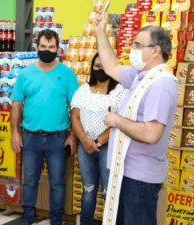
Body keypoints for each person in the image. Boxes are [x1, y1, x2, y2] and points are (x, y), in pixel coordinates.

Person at [94, 14, 178, 225]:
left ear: (155, 51)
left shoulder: (161, 83)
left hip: (140, 179)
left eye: (138, 45)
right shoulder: (142, 76)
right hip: (126, 172)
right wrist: (100, 32)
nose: (133, 50)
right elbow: (111, 67)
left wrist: (117, 120)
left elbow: (151, 133)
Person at [10, 29, 79, 225]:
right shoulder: (26, 74)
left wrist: (73, 136)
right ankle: (28, 217)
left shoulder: (67, 74)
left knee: (57, 183)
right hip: (30, 136)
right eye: (43, 47)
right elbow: (16, 104)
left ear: (58, 49)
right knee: (30, 180)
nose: (47, 50)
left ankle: (56, 220)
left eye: (51, 47)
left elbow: (75, 107)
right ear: (36, 47)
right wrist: (15, 132)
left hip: (58, 138)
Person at [70, 53, 127, 225]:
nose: (100, 69)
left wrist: (98, 141)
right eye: (96, 66)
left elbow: (120, 121)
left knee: (108, 191)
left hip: (107, 148)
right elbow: (75, 117)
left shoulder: (120, 91)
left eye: (104, 66)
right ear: (92, 68)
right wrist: (85, 141)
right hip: (85, 147)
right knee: (88, 189)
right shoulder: (83, 90)